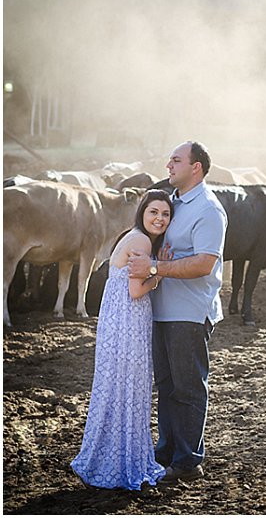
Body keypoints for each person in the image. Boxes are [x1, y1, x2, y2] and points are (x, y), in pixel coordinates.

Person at [127, 141, 227, 484]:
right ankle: (167, 450)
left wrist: (154, 268)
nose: (168, 165)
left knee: (187, 386)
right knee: (167, 384)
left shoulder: (208, 209)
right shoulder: (176, 204)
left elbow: (203, 263)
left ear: (195, 167)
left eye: (176, 160)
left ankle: (188, 462)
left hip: (190, 310)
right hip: (163, 309)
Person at [71, 189, 174, 490]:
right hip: (128, 321)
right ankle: (120, 463)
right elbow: (135, 291)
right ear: (142, 211)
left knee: (116, 388)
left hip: (118, 321)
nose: (159, 218)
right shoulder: (141, 240)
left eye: (165, 214)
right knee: (130, 388)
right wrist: (161, 273)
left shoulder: (132, 235)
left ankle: (105, 457)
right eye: (153, 211)